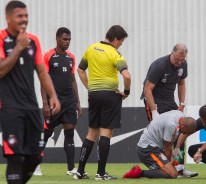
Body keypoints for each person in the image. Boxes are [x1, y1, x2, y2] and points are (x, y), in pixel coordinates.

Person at [0, 1, 60, 184]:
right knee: (15, 157)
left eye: (26, 16)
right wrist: (18, 48)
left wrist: (53, 95)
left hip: (31, 107)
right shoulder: (2, 39)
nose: (24, 19)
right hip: (10, 107)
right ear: (8, 18)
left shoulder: (33, 40)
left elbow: (41, 71)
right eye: (20, 16)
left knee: (35, 157)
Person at [73, 25, 131, 180]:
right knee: (106, 132)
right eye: (121, 41)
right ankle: (101, 173)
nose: (121, 44)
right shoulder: (114, 53)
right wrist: (126, 92)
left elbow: (80, 70)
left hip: (94, 95)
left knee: (92, 132)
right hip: (109, 95)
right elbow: (127, 76)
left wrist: (90, 87)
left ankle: (79, 171)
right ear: (116, 39)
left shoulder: (91, 48)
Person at [140, 43, 197, 177]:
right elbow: (147, 89)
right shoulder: (159, 65)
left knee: (180, 132)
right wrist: (154, 111)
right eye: (177, 59)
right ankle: (165, 167)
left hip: (170, 101)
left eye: (182, 60)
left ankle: (180, 168)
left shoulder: (183, 64)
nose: (179, 62)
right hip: (155, 101)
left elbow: (182, 83)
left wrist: (181, 103)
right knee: (163, 136)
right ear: (172, 53)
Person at [34, 27, 82, 176]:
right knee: (46, 134)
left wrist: (78, 102)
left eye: (69, 39)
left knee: (69, 133)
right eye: (65, 39)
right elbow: (43, 81)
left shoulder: (71, 57)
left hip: (69, 102)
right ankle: (34, 165)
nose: (67, 42)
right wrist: (45, 103)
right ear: (57, 39)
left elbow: (73, 80)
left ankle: (70, 168)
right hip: (53, 103)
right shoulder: (48, 56)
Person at [123, 110, 196, 179]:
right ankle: (138, 172)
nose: (183, 134)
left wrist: (177, 148)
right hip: (147, 149)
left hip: (155, 148)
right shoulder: (171, 125)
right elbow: (167, 147)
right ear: (182, 125)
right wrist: (170, 163)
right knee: (172, 174)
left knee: (172, 171)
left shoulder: (180, 115)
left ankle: (174, 169)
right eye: (184, 132)